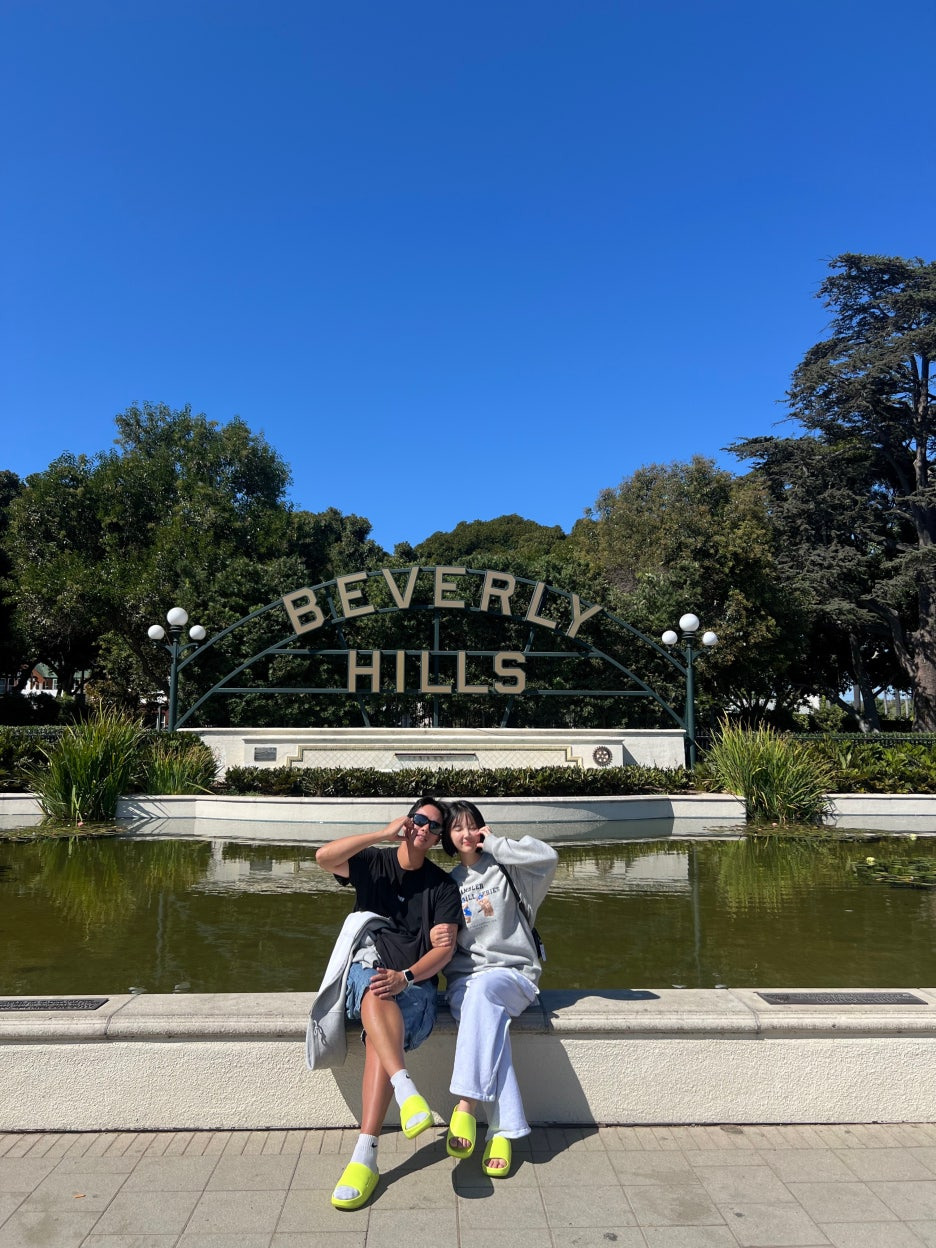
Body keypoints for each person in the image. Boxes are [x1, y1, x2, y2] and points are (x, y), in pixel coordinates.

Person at [314, 797, 463, 1211]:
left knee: (380, 1032)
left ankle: (366, 1154)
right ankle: (403, 1091)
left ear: (438, 838)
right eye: (419, 819)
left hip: (415, 986)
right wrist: (382, 833)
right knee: (375, 989)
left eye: (434, 827)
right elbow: (324, 857)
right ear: (407, 820)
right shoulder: (374, 863)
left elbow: (444, 951)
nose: (424, 829)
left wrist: (407, 977)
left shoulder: (442, 887)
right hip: (367, 971)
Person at [431, 800, 558, 1178]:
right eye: (457, 828)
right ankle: (503, 1131)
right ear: (448, 838)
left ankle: (466, 1105)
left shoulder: (508, 869)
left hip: (513, 975)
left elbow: (548, 857)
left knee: (485, 992)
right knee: (488, 1022)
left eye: (473, 826)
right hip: (465, 983)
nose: (466, 834)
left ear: (483, 829)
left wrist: (498, 844)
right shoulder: (448, 885)